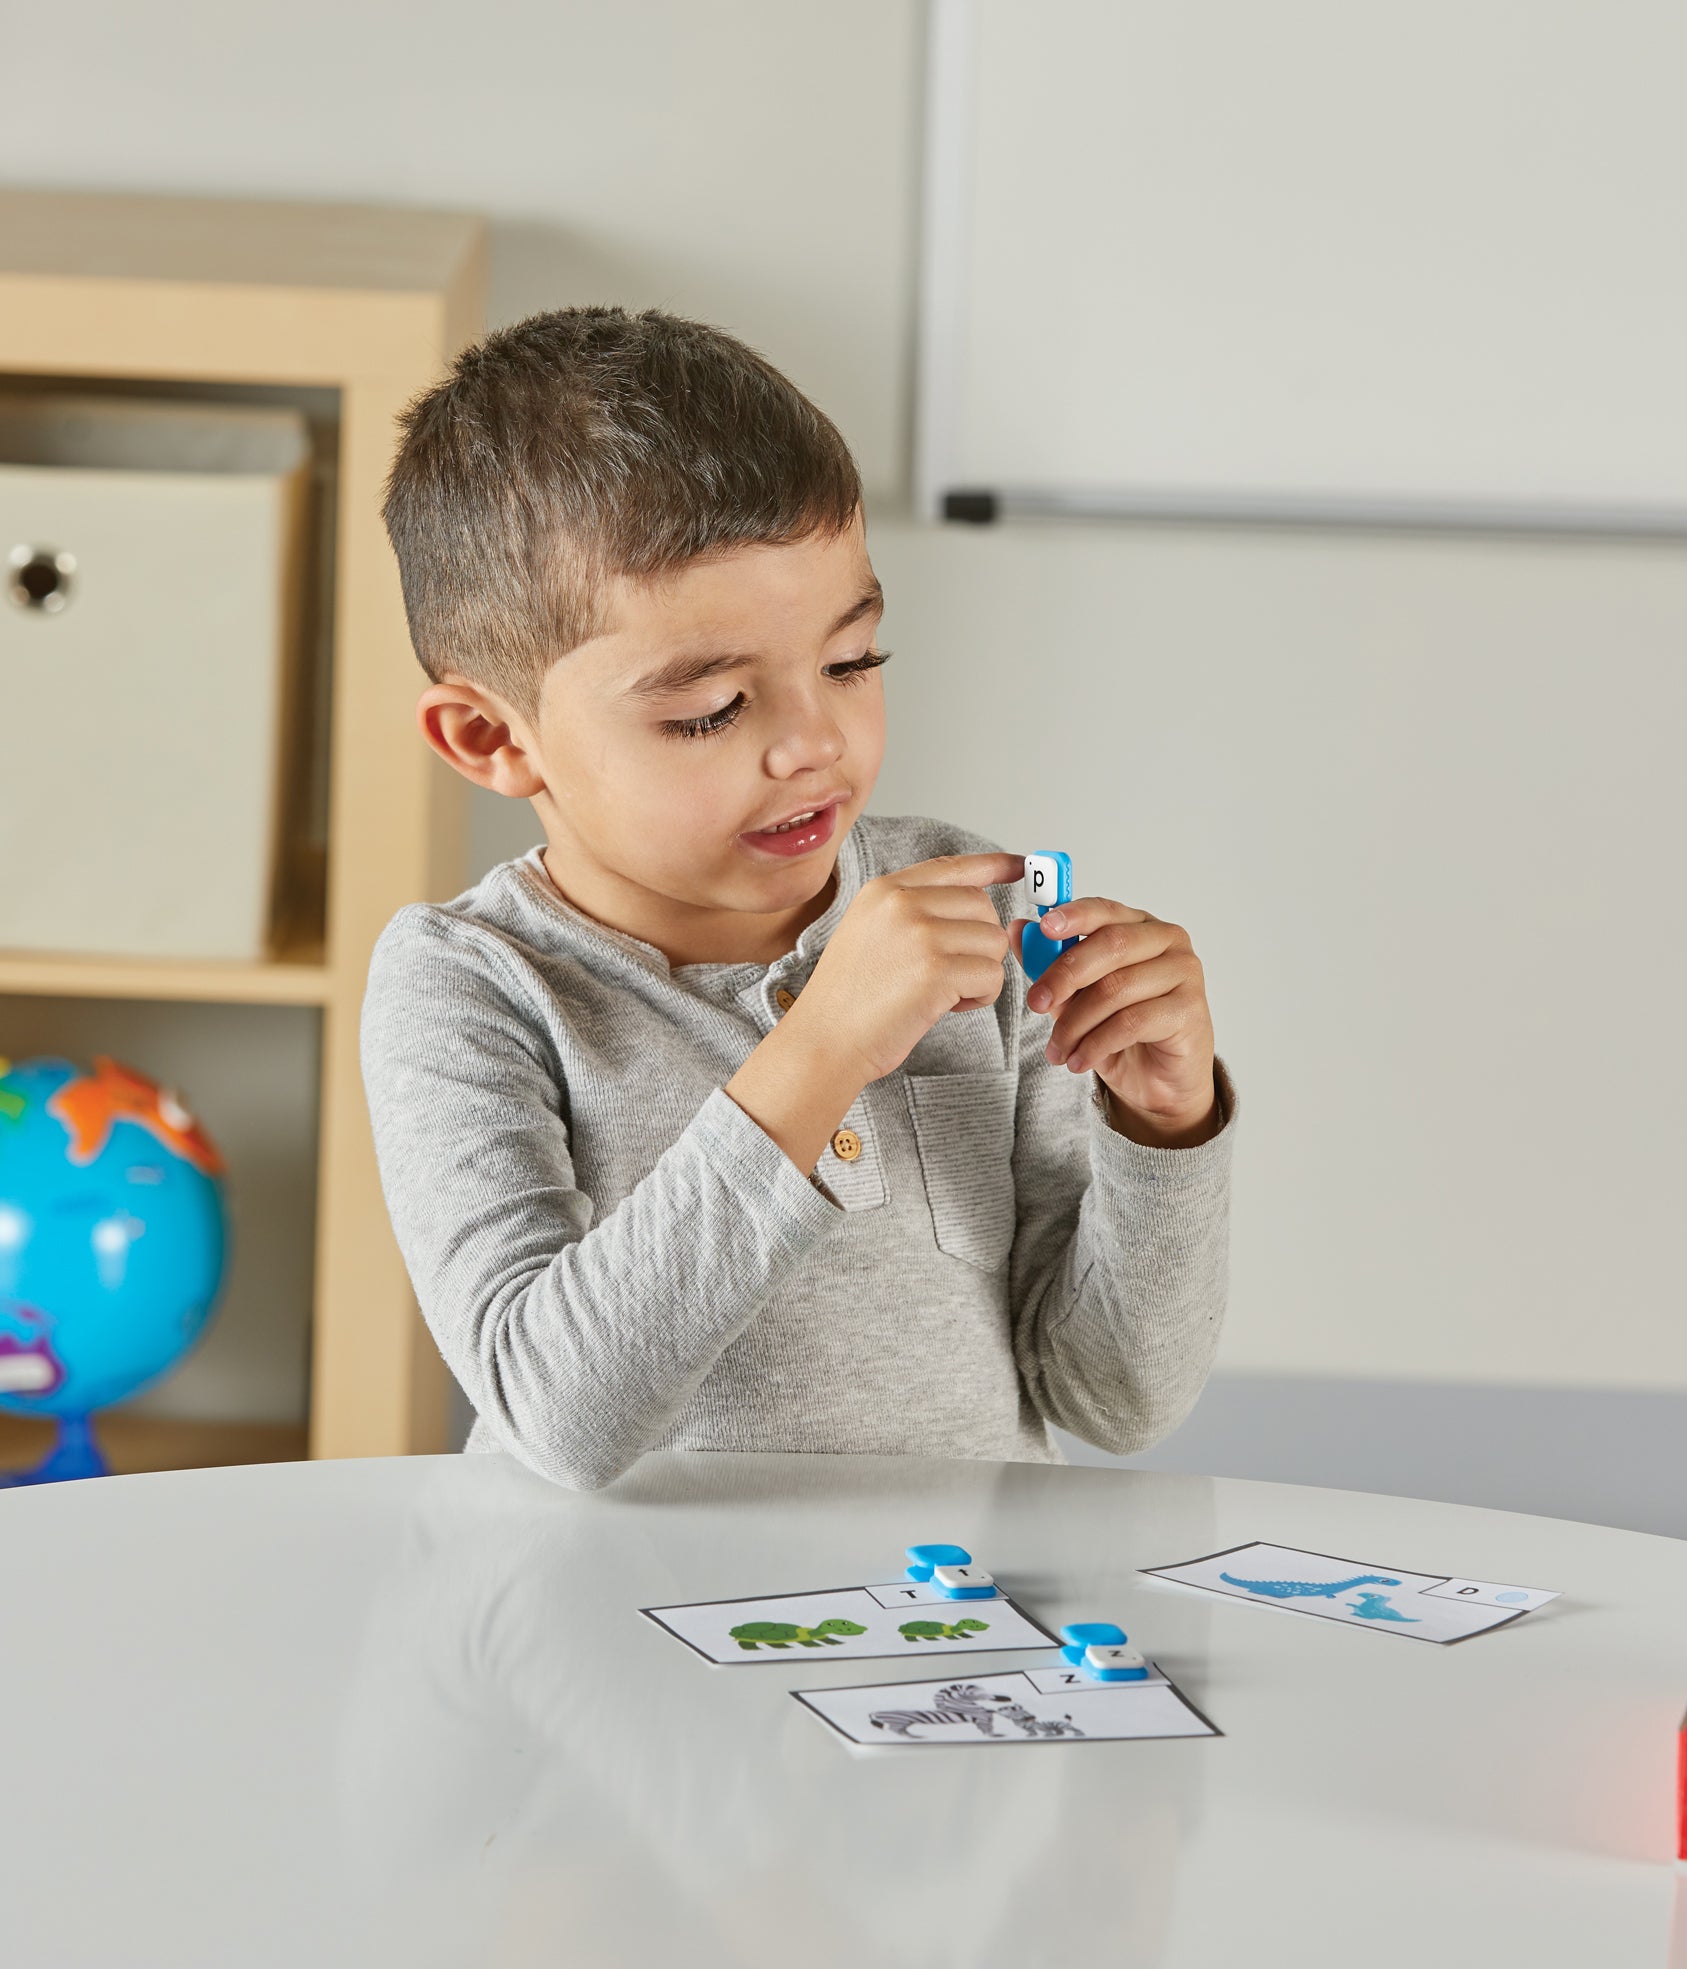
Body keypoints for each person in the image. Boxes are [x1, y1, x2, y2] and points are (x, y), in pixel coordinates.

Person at [359, 306, 1234, 1490]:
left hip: (943, 1635)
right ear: (489, 735)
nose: (813, 744)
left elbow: (1111, 1399)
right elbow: (557, 1414)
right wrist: (821, 1049)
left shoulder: (967, 915)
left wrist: (1163, 1131)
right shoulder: (467, 983)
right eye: (710, 709)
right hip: (607, 1638)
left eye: (851, 662)